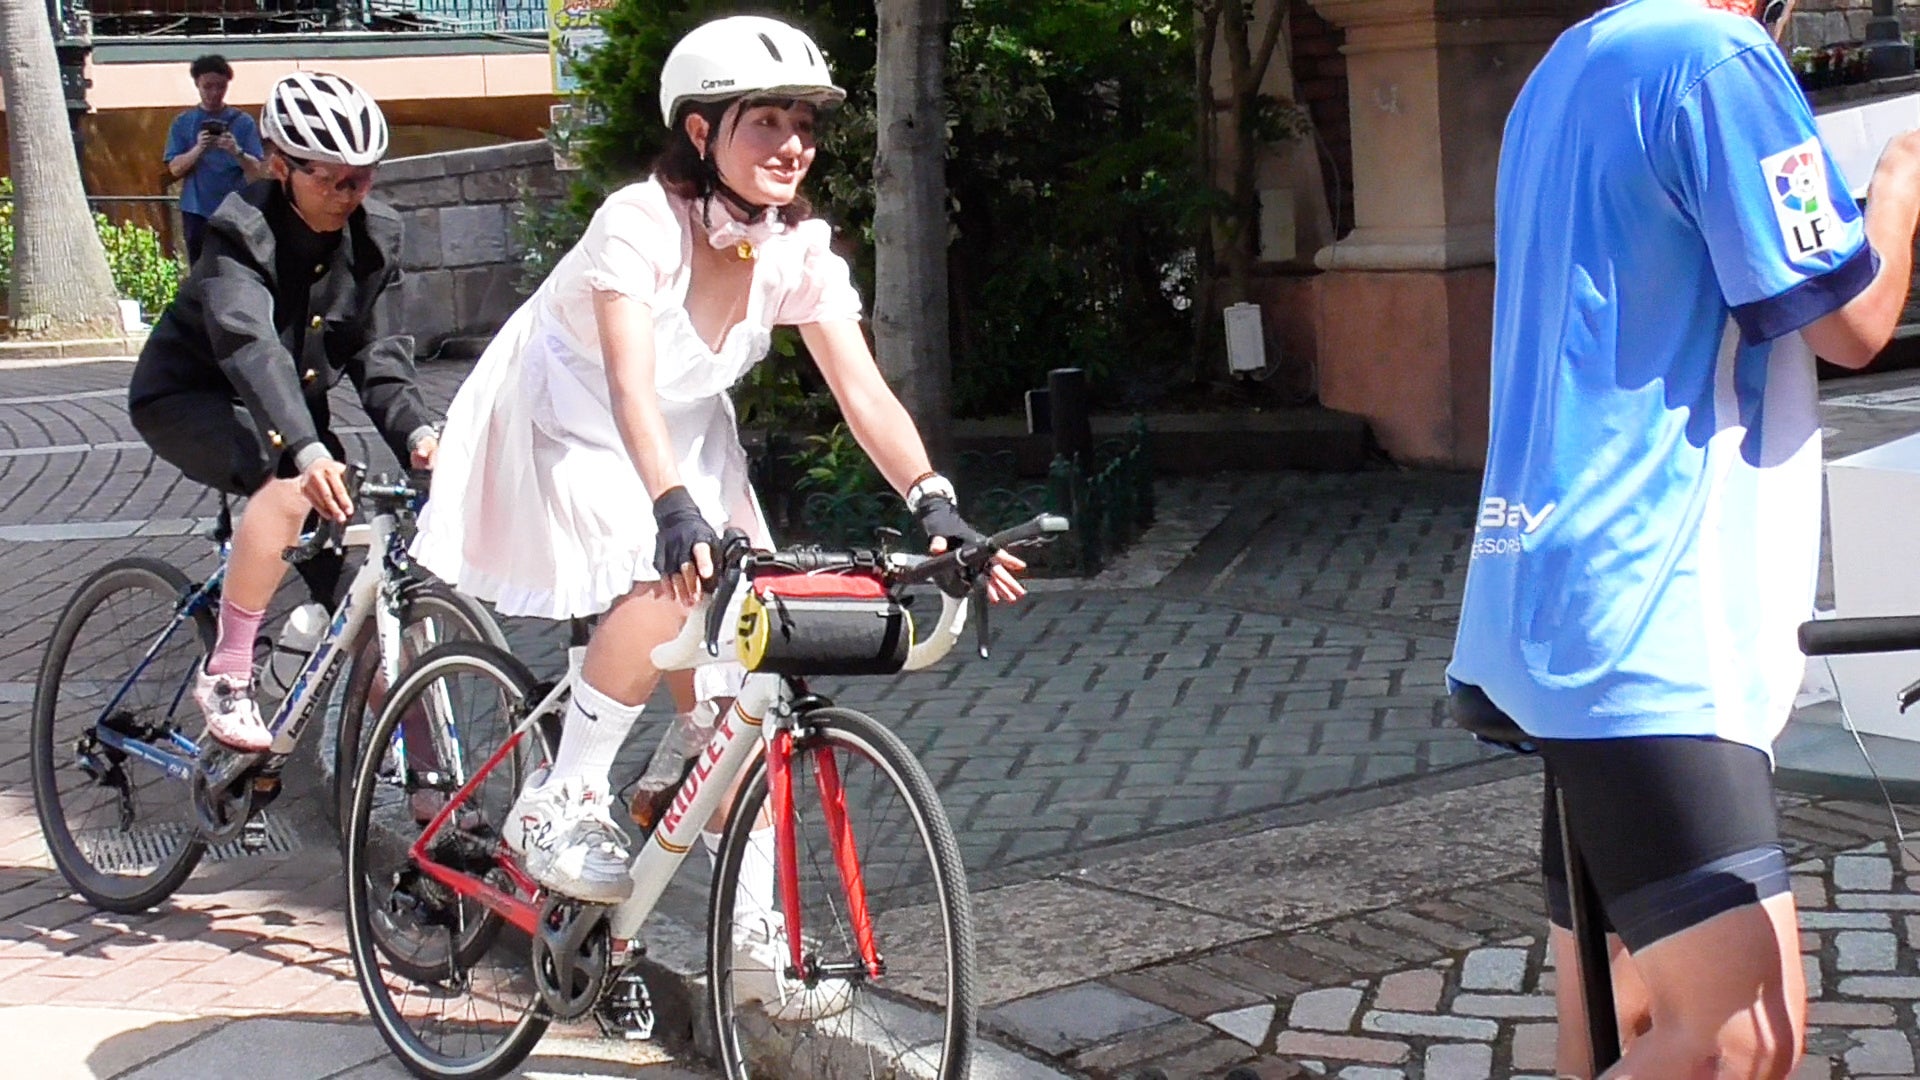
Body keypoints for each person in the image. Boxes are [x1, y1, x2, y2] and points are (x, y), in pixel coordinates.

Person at [413, 12, 1024, 947]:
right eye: (764, 121)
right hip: (569, 414)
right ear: (701, 131)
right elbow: (626, 384)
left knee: (745, 661)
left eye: (803, 124)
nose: (792, 144)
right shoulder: (639, 222)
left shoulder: (794, 250)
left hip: (686, 427)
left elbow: (863, 393)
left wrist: (934, 503)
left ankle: (749, 929)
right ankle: (562, 797)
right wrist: (670, 506)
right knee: (665, 580)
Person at [1448, 0, 1920, 1075]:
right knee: (1739, 1038)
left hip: (1552, 596)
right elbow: (1853, 323)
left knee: (1618, 1019)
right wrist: (1898, 188)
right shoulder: (1718, 58)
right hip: (1655, 610)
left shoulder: (1567, 67)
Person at [130, 72, 438, 753]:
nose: (349, 196)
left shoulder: (376, 236)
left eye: (363, 179)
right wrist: (307, 448)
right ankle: (228, 672)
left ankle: (427, 777)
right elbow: (251, 346)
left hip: (290, 412)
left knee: (360, 599)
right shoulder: (239, 230)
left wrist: (418, 433)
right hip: (195, 396)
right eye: (332, 180)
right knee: (293, 483)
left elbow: (380, 353)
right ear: (279, 165)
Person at [164, 55, 267, 263]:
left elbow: (257, 171)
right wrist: (198, 149)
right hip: (196, 211)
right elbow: (174, 169)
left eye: (220, 87)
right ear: (197, 84)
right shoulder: (183, 123)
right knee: (199, 266)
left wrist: (236, 151)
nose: (214, 93)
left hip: (235, 210)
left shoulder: (243, 122)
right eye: (208, 87)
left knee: (235, 265)